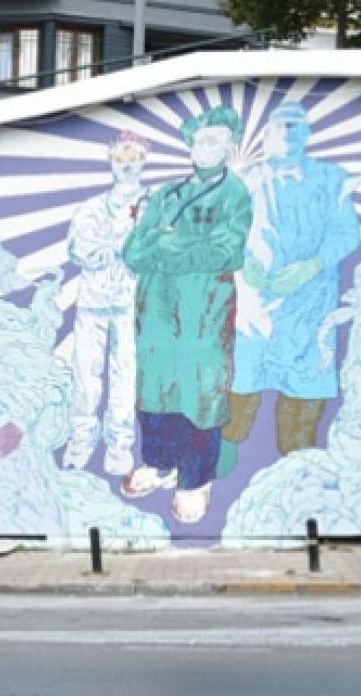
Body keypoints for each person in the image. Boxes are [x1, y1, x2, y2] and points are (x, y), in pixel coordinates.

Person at [121, 106, 252, 524]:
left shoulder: (234, 194)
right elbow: (134, 251)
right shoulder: (166, 195)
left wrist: (168, 247)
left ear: (230, 147)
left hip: (203, 313)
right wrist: (175, 246)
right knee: (155, 387)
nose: (205, 147)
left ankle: (195, 479)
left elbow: (226, 251)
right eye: (199, 140)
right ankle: (158, 462)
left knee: (200, 392)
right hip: (157, 312)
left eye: (215, 140)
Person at [222, 101, 361, 463]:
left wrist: (312, 266)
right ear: (266, 135)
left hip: (310, 303)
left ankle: (298, 466)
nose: (289, 134)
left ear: (308, 134)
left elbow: (346, 233)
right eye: (281, 126)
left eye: (296, 126)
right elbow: (225, 229)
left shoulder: (330, 179)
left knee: (304, 388)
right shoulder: (244, 180)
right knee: (242, 383)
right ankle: (222, 464)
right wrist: (245, 260)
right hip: (254, 305)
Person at [62, 131, 151, 476]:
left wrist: (121, 247)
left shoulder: (154, 206)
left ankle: (119, 444)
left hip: (133, 303)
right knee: (86, 374)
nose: (127, 167)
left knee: (125, 375)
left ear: (144, 162)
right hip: (93, 302)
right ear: (111, 162)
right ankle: (82, 438)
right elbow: (80, 249)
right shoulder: (93, 207)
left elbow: (152, 250)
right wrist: (121, 247)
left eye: (134, 159)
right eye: (120, 160)